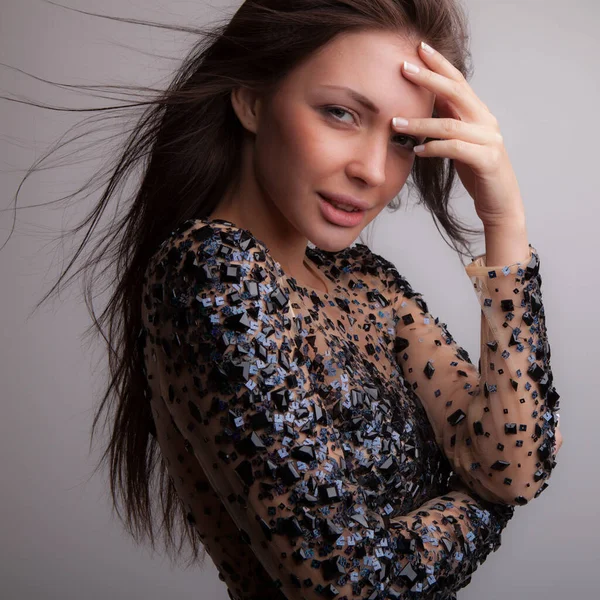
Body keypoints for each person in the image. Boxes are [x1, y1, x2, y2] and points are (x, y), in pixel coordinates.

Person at [10, 1, 561, 599]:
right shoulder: (211, 273)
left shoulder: (360, 280)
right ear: (250, 98)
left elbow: (511, 461)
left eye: (404, 140)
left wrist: (502, 220)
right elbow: (346, 583)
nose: (373, 170)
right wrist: (488, 507)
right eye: (341, 113)